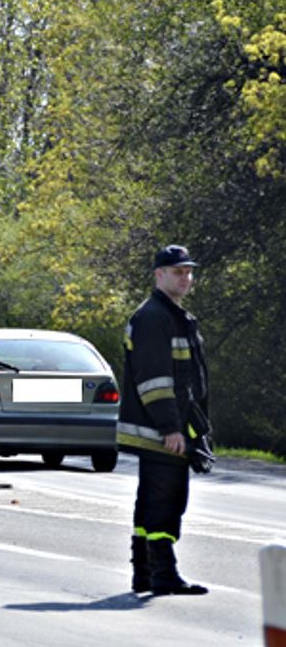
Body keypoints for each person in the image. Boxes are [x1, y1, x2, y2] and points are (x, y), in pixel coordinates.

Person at [117, 244, 210, 596]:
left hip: (164, 428)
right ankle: (163, 574)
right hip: (161, 430)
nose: (185, 278)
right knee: (166, 500)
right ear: (159, 275)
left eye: (188, 272)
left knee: (152, 499)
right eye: (177, 272)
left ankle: (144, 572)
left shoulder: (172, 315)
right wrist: (170, 428)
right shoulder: (154, 317)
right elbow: (154, 379)